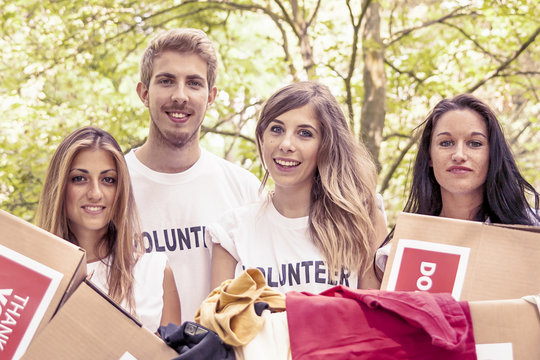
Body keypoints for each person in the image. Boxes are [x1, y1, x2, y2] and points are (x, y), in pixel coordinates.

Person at [126, 28, 261, 321]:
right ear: (144, 93)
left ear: (210, 97)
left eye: (194, 83)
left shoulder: (245, 191)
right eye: (166, 81)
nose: (180, 96)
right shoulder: (111, 186)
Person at [209, 81, 388, 293]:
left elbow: (376, 316)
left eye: (305, 133)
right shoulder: (232, 232)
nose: (286, 144)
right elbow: (219, 322)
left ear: (327, 144)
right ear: (262, 138)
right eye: (276, 129)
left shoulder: (362, 218)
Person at [36, 126, 181, 333]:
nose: (95, 193)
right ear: (59, 187)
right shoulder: (34, 274)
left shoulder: (154, 272)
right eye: (79, 178)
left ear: (121, 189)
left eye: (108, 180)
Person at [375, 94, 540, 273]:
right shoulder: (401, 249)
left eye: (475, 143)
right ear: (429, 156)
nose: (459, 155)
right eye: (446, 143)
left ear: (492, 154)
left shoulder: (531, 232)